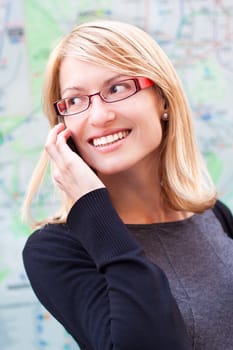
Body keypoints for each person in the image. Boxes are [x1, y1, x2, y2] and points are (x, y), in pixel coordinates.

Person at [22, 20, 233, 350]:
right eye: (75, 101)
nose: (99, 116)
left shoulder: (214, 215)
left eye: (118, 88)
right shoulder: (56, 251)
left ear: (162, 99)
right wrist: (93, 210)